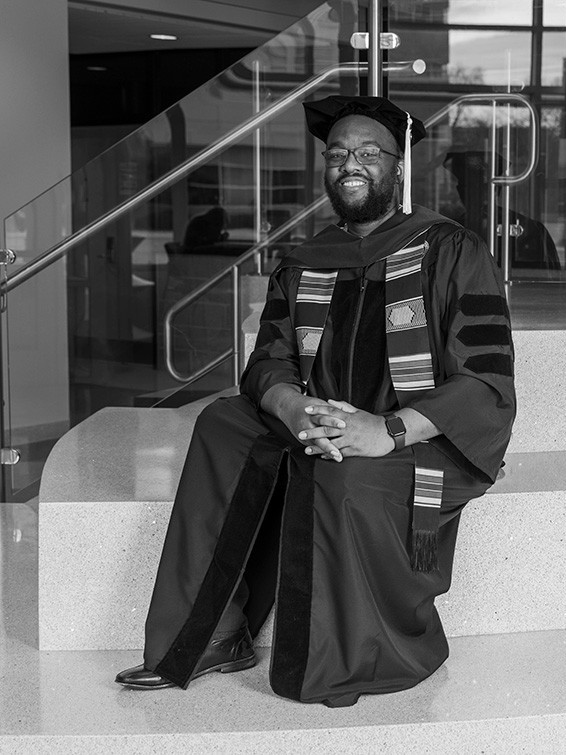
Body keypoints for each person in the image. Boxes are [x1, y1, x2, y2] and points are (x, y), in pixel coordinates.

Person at [114, 95, 516, 708]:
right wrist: (293, 408)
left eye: (368, 153)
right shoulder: (305, 261)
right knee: (222, 422)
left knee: (344, 474)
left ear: (399, 167)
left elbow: (486, 378)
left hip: (417, 438)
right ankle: (213, 636)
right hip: (320, 422)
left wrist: (385, 430)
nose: (349, 164)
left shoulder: (450, 249)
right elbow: (268, 359)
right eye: (337, 154)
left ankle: (350, 659)